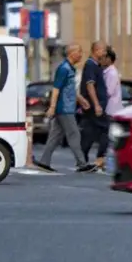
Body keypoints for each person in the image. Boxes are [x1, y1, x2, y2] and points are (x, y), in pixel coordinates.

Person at [33, 44, 96, 173]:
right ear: (71, 53)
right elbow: (56, 89)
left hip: (66, 108)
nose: (81, 54)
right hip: (64, 109)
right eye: (79, 51)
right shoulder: (64, 69)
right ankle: (82, 164)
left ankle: (44, 162)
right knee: (74, 135)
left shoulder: (70, 69)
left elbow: (70, 89)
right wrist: (52, 107)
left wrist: (81, 100)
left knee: (54, 137)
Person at [80, 40, 109, 167]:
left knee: (90, 131)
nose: (105, 53)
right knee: (106, 128)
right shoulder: (90, 65)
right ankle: (100, 157)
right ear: (96, 50)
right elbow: (90, 85)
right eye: (103, 50)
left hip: (94, 106)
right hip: (93, 106)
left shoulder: (96, 65)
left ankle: (82, 157)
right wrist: (97, 104)